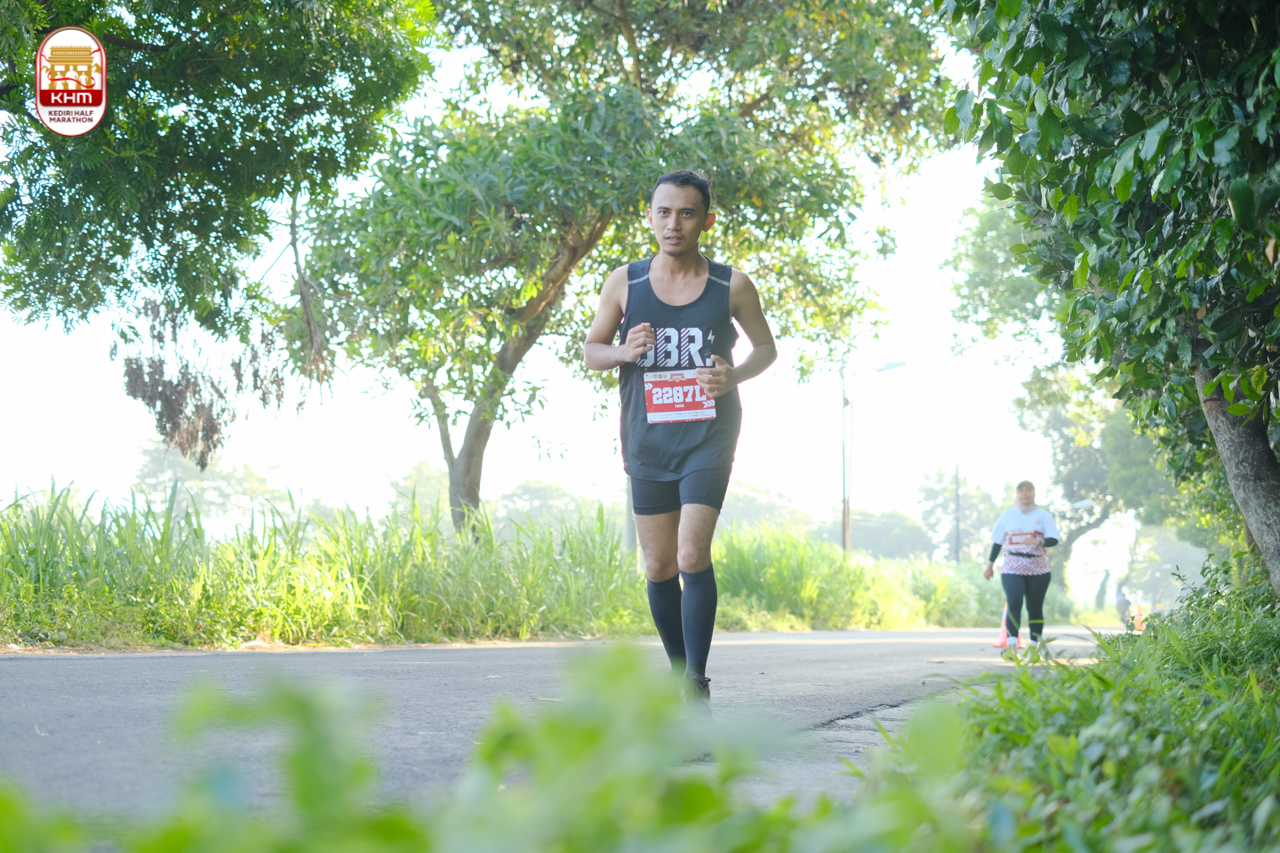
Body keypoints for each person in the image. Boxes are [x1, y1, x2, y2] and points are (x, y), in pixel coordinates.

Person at [583, 170, 777, 709]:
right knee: (659, 566)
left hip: (708, 436)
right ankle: (676, 673)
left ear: (706, 221)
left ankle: (696, 680)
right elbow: (592, 350)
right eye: (664, 212)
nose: (674, 224)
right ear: (649, 216)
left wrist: (733, 376)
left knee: (692, 553)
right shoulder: (625, 282)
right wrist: (623, 352)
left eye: (687, 213)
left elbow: (765, 348)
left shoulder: (731, 285)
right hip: (647, 438)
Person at [984, 481, 1060, 656]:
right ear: (1017, 494)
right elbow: (997, 542)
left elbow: (1054, 539)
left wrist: (1039, 541)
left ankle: (1034, 646)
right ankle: (1011, 645)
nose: (1025, 493)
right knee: (1014, 602)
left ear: (1034, 493)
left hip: (1038, 567)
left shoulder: (1043, 515)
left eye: (1029, 490)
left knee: (1035, 607)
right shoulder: (1007, 515)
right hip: (1013, 565)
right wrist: (990, 566)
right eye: (1021, 490)